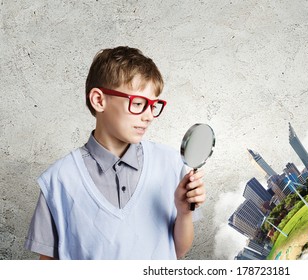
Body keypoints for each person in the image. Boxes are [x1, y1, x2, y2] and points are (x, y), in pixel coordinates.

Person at [24, 46, 206, 260]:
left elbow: (179, 251)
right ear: (99, 100)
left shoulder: (171, 164)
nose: (148, 116)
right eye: (138, 104)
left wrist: (184, 212)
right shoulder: (58, 180)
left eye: (153, 105)